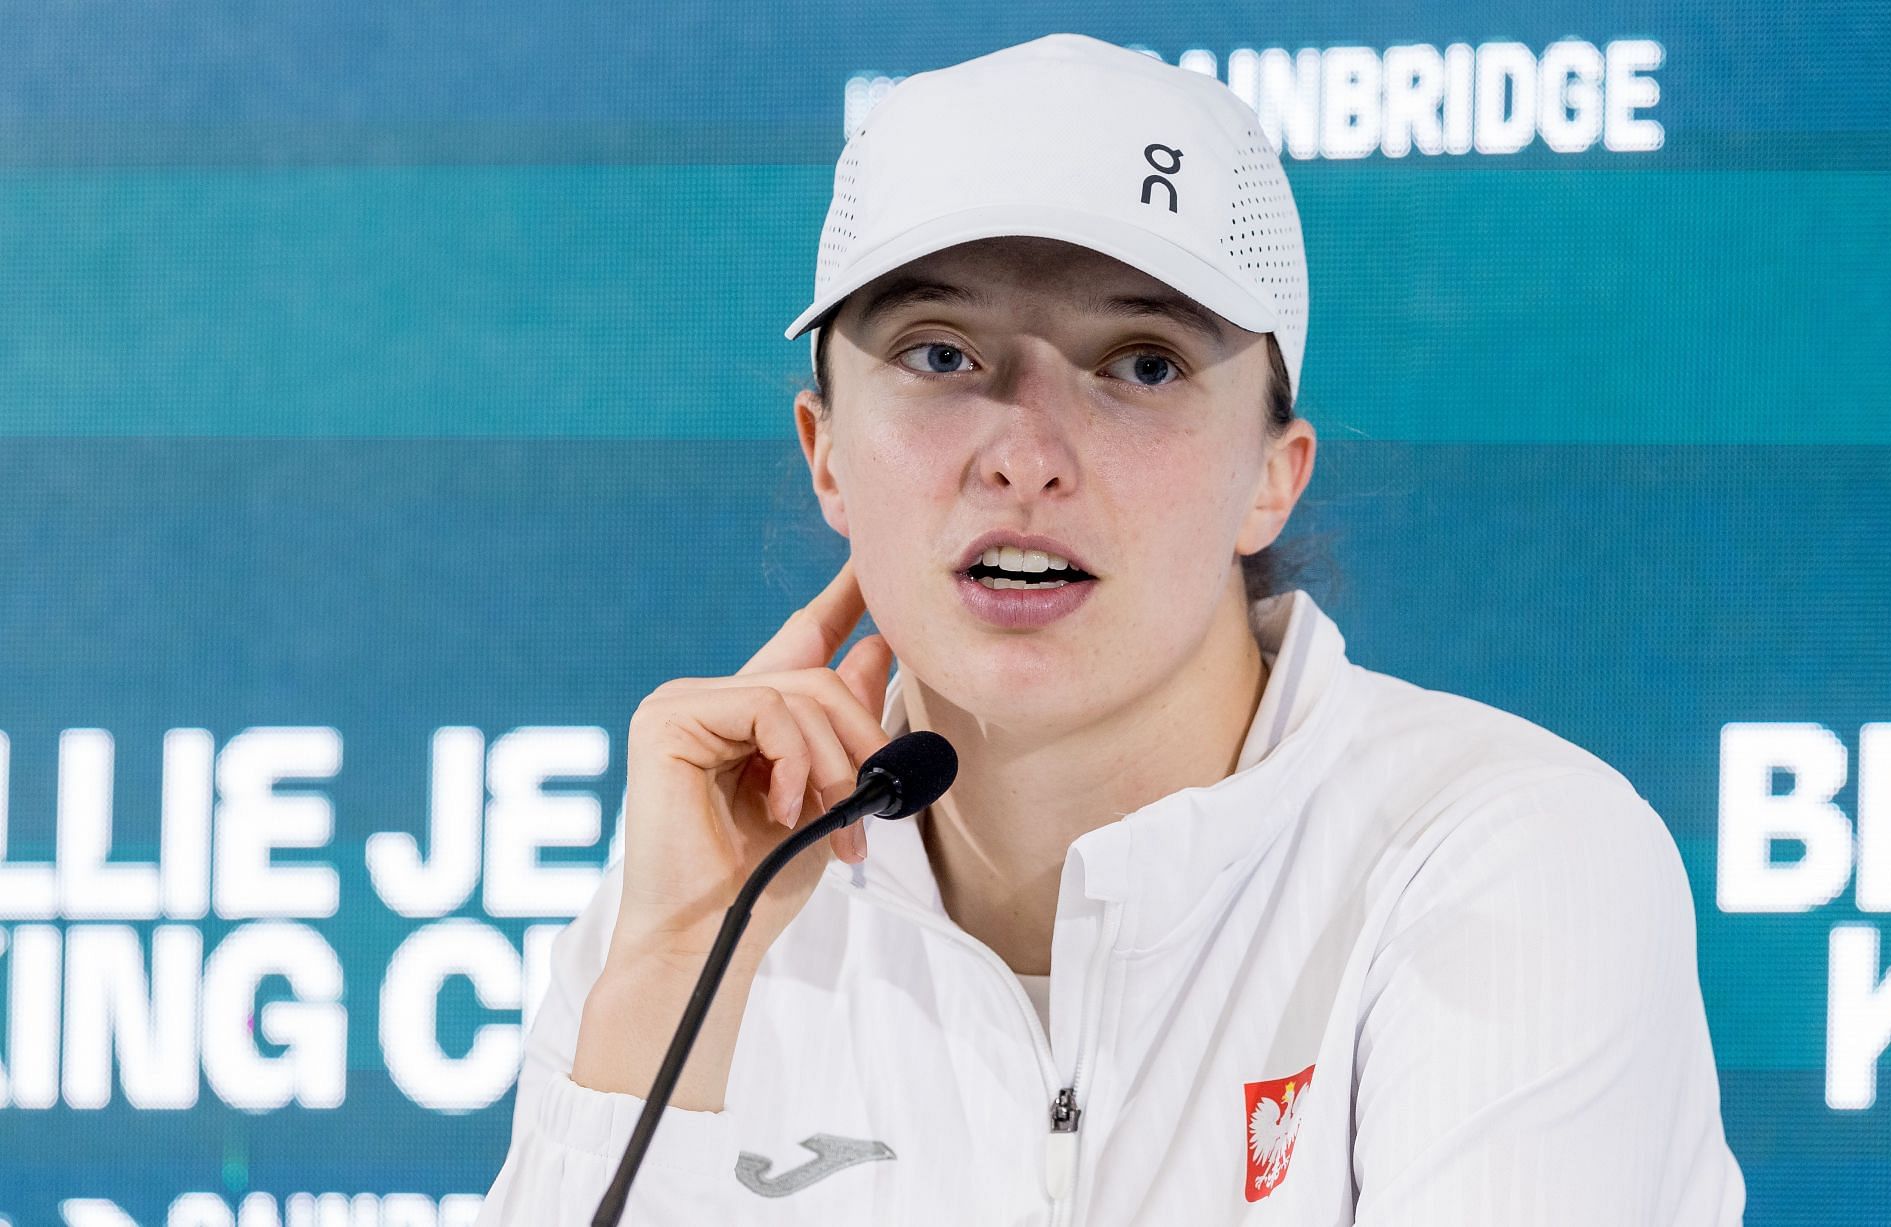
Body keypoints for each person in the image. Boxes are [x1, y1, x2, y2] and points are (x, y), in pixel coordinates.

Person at [476, 32, 1745, 1225]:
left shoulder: (1505, 861)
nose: (1025, 456)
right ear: (825, 455)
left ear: (1274, 473)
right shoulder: (695, 911)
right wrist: (676, 969)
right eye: (939, 355)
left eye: (1141, 365)